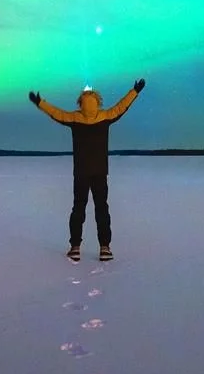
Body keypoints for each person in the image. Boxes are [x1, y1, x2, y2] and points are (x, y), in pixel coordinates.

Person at [28, 78, 146, 262]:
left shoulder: (74, 118)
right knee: (102, 208)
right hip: (100, 172)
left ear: (80, 102)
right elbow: (121, 107)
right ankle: (105, 248)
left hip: (81, 172)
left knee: (78, 208)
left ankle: (75, 248)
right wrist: (135, 91)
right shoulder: (105, 116)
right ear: (97, 101)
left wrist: (40, 102)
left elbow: (56, 113)